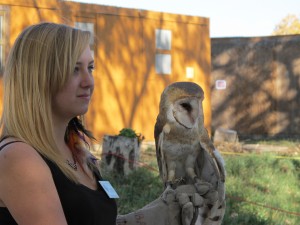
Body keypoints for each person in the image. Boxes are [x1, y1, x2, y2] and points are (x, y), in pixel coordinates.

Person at [0, 22, 207, 225]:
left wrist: (163, 211)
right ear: (38, 78)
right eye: (74, 69)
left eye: (90, 68)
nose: (89, 82)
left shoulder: (77, 150)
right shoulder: (19, 158)